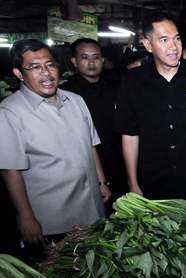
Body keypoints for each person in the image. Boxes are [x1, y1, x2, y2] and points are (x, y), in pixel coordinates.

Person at [0, 39, 110, 261]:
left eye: (50, 65)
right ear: (19, 74)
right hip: (52, 221)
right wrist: (26, 217)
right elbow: (10, 170)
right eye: (35, 67)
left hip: (91, 211)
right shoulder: (10, 112)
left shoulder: (76, 101)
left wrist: (102, 182)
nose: (46, 73)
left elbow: (91, 146)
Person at [114, 12, 186, 202]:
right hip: (152, 183)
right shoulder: (132, 81)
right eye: (164, 40)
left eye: (176, 38)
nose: (173, 46)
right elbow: (129, 135)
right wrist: (132, 183)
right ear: (148, 45)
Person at [60, 38, 126, 213]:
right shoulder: (66, 93)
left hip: (120, 163)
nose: (91, 62)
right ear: (74, 61)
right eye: (84, 57)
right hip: (88, 166)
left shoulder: (115, 87)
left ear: (102, 61)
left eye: (96, 57)